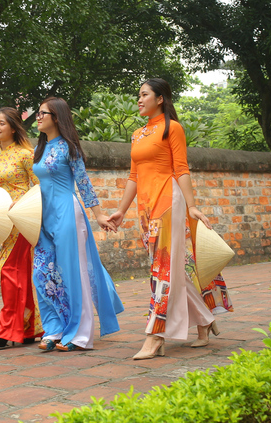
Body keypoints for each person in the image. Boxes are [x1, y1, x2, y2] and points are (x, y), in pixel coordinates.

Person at [108, 78, 233, 360]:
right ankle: (204, 320)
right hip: (146, 209)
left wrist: (192, 206)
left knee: (162, 271)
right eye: (138, 95)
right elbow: (134, 176)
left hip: (169, 203)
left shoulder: (172, 128)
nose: (139, 100)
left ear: (160, 98)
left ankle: (156, 336)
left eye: (144, 95)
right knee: (170, 269)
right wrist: (121, 210)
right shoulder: (137, 134)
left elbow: (181, 169)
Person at [32, 97, 124, 352]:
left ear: (57, 117)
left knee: (73, 274)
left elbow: (83, 182)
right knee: (42, 273)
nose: (38, 117)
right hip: (43, 217)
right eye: (38, 113)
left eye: (43, 113)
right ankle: (55, 328)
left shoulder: (69, 148)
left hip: (67, 215)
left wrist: (98, 215)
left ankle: (80, 335)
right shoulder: (39, 149)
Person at [0, 107, 44, 348]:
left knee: (10, 270)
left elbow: (41, 185)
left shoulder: (25, 154)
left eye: (2, 123)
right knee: (16, 272)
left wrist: (24, 205)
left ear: (13, 127)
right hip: (2, 221)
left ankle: (7, 329)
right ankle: (29, 328)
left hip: (21, 219)